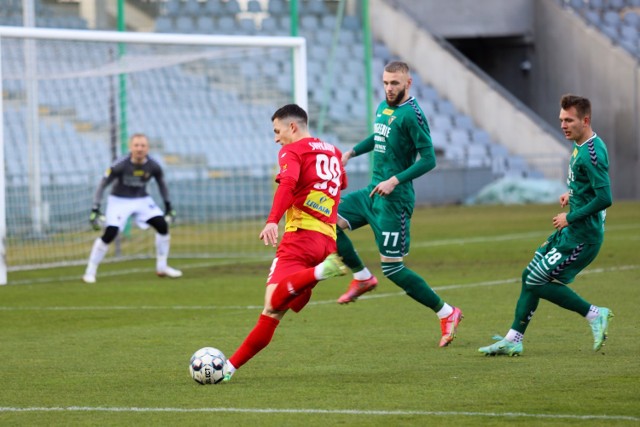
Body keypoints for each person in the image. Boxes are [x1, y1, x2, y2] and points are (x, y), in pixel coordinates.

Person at [335, 61, 463, 348]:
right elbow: (379, 136)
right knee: (327, 221)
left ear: (408, 83)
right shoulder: (384, 107)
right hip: (371, 192)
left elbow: (429, 159)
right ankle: (362, 277)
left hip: (395, 201)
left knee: (393, 269)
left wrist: (395, 180)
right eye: (385, 83)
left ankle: (447, 312)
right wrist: (352, 152)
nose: (389, 88)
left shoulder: (414, 116)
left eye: (395, 83)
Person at [479, 94, 613, 356]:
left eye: (569, 120)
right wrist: (572, 195)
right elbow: (590, 188)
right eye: (561, 119)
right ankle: (513, 338)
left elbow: (605, 198)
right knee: (528, 275)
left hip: (582, 237)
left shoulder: (592, 154)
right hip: (572, 232)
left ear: (585, 120)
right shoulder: (581, 145)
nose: (563, 125)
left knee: (536, 280)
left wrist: (570, 216)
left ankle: (594, 314)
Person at [223, 104, 348, 382]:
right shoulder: (334, 152)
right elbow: (340, 185)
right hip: (327, 240)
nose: (276, 138)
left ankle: (318, 273)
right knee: (286, 305)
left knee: (272, 304)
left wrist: (272, 220)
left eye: (277, 131)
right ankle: (228, 369)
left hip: (300, 237)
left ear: (292, 127)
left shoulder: (292, 150)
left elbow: (288, 183)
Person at [82, 133, 182, 283]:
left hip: (142, 199)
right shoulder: (120, 164)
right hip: (119, 200)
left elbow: (162, 184)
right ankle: (90, 271)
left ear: (148, 148)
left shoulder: (154, 166)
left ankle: (162, 267)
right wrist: (95, 207)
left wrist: (168, 205)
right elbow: (102, 184)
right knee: (110, 233)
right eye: (136, 145)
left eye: (143, 145)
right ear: (130, 147)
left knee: (162, 225)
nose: (139, 149)